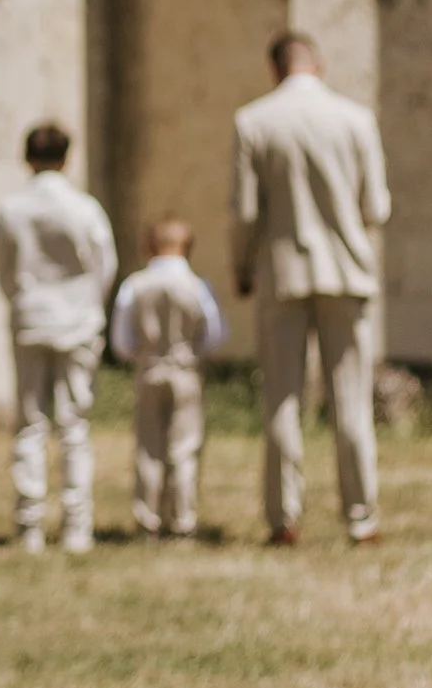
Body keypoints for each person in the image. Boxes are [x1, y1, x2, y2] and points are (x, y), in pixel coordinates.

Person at [230, 32, 392, 545]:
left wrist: (242, 265)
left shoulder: (253, 121)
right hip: (346, 270)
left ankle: (284, 519)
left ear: (274, 69)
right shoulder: (356, 119)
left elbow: (245, 211)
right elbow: (377, 208)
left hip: (283, 271)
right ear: (318, 65)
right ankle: (361, 517)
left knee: (282, 398)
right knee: (350, 398)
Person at [0, 121, 118, 554]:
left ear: (27, 157)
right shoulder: (84, 209)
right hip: (78, 321)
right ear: (67, 158)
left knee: (29, 423)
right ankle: (76, 527)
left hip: (31, 317)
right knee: (74, 425)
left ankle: (28, 526)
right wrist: (87, 305)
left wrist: (23, 299)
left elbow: (5, 271)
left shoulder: (11, 209)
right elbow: (105, 265)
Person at [109, 219, 226, 541]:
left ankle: (148, 520)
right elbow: (215, 333)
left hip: (148, 369)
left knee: (149, 447)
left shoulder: (135, 285)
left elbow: (120, 340)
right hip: (186, 370)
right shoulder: (197, 286)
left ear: (149, 245)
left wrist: (140, 354)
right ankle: (183, 519)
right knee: (184, 448)